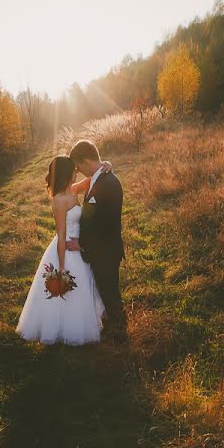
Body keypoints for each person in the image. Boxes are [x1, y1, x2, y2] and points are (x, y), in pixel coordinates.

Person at [15, 155, 111, 345]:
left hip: (78, 247)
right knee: (67, 292)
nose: (77, 172)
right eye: (74, 170)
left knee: (83, 289)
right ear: (66, 174)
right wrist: (61, 267)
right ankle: (65, 329)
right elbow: (60, 236)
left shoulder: (73, 190)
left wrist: (106, 164)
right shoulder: (59, 200)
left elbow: (92, 178)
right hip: (65, 249)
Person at [65, 140, 127, 343]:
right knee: (105, 290)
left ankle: (119, 335)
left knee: (110, 292)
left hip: (106, 251)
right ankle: (113, 325)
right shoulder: (97, 177)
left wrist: (82, 245)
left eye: (79, 166)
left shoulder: (108, 184)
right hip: (101, 250)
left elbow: (103, 226)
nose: (79, 171)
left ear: (86, 161)